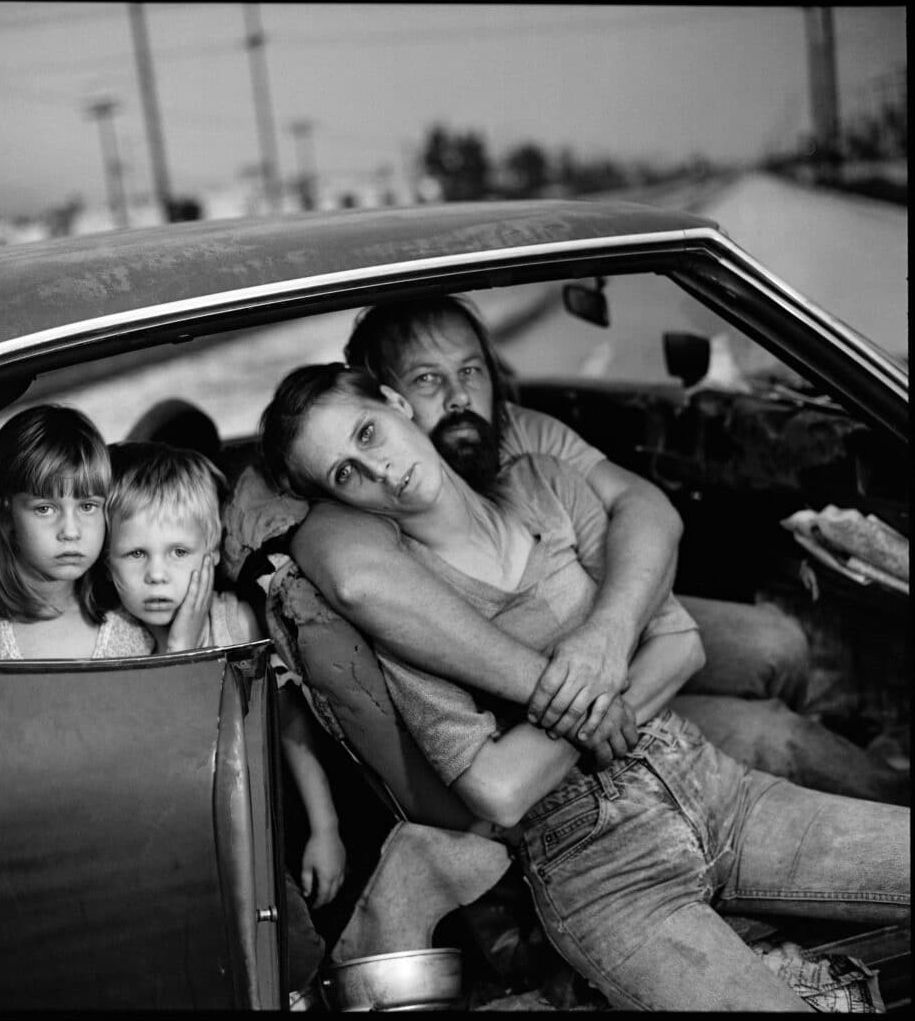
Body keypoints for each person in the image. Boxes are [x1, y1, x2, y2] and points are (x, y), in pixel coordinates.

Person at [258, 363, 910, 1011]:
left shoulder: (545, 484)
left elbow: (683, 645)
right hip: (596, 864)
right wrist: (601, 706)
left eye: (369, 433)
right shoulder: (405, 615)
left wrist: (599, 655)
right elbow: (497, 790)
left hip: (714, 782)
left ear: (398, 403)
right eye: (346, 473)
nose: (379, 470)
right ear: (341, 502)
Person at [274, 295, 900, 801]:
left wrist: (609, 634)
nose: (460, 396)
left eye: (471, 371)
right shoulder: (366, 490)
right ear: (394, 398)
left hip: (616, 634)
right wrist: (580, 697)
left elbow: (648, 509)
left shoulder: (522, 434)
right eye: (429, 380)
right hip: (552, 716)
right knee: (774, 738)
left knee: (778, 643)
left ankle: (774, 782)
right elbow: (355, 576)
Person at [103, 441, 347, 915]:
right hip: (161, 850)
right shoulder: (110, 641)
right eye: (135, 553)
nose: (157, 574)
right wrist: (180, 652)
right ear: (107, 561)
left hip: (254, 830)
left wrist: (326, 827)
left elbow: (289, 726)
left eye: (178, 551)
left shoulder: (239, 624)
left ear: (211, 554)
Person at [0, 404, 152, 661]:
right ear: (2, 514)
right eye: (45, 509)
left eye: (88, 506)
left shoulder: (131, 621)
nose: (70, 532)